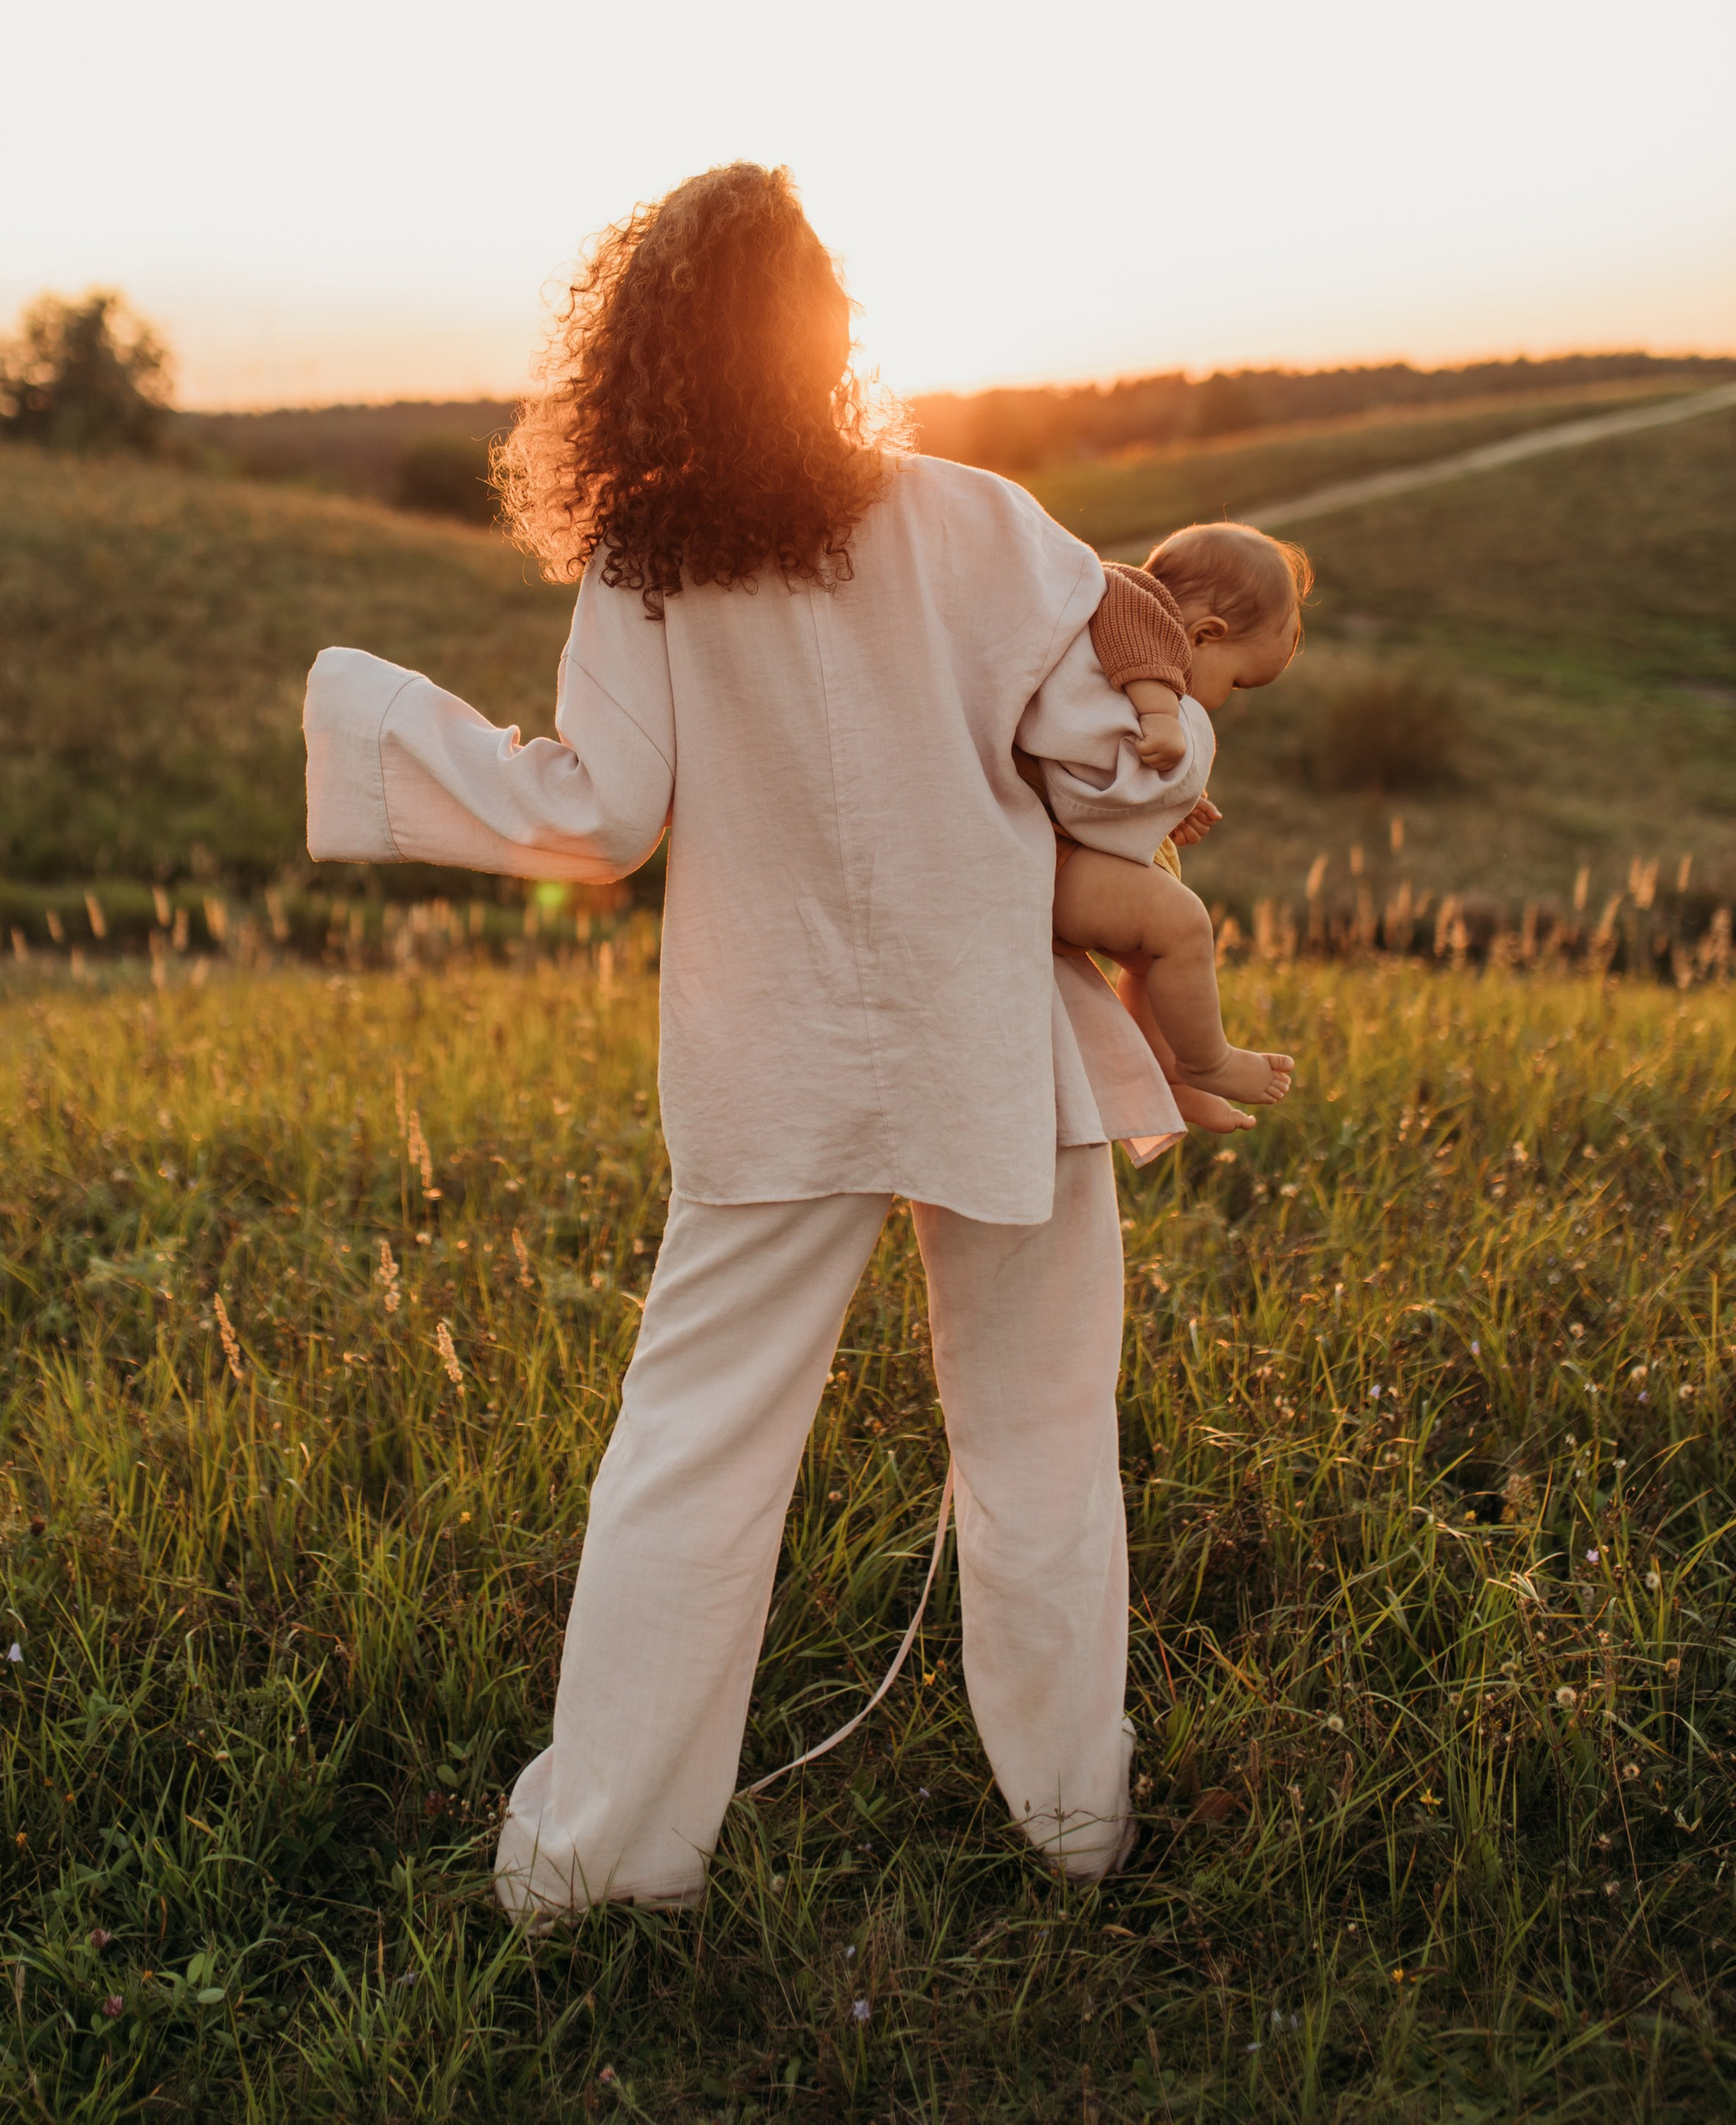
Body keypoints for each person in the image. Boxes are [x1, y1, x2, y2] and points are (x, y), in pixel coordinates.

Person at [303, 164, 1216, 1918]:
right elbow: (1124, 771)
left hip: (773, 1055)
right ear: (825, 332)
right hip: (986, 1048)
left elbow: (597, 817)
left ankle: (597, 1868)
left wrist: (375, 724)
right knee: (1035, 1445)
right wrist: (1155, 693)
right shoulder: (980, 522)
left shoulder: (649, 563)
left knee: (691, 1452)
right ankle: (1075, 1835)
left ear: (642, 353)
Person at [1068, 525, 1311, 1107]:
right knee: (1181, 926)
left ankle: (1167, 1076)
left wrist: (1168, 805)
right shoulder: (1120, 654)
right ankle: (1209, 1060)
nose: (1225, 700)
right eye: (1237, 680)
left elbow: (1099, 773)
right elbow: (1070, 779)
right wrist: (1162, 726)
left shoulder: (1123, 681)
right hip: (1053, 861)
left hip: (1078, 854)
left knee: (1157, 959)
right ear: (1204, 636)